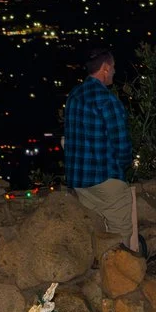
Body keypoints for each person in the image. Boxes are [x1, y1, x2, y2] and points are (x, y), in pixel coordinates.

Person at [60, 45, 134, 234]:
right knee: (120, 231)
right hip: (106, 178)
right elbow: (122, 146)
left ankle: (99, 263)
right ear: (106, 68)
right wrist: (122, 166)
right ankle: (119, 264)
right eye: (113, 67)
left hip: (80, 180)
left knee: (94, 231)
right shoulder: (108, 101)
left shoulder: (74, 96)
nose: (114, 71)